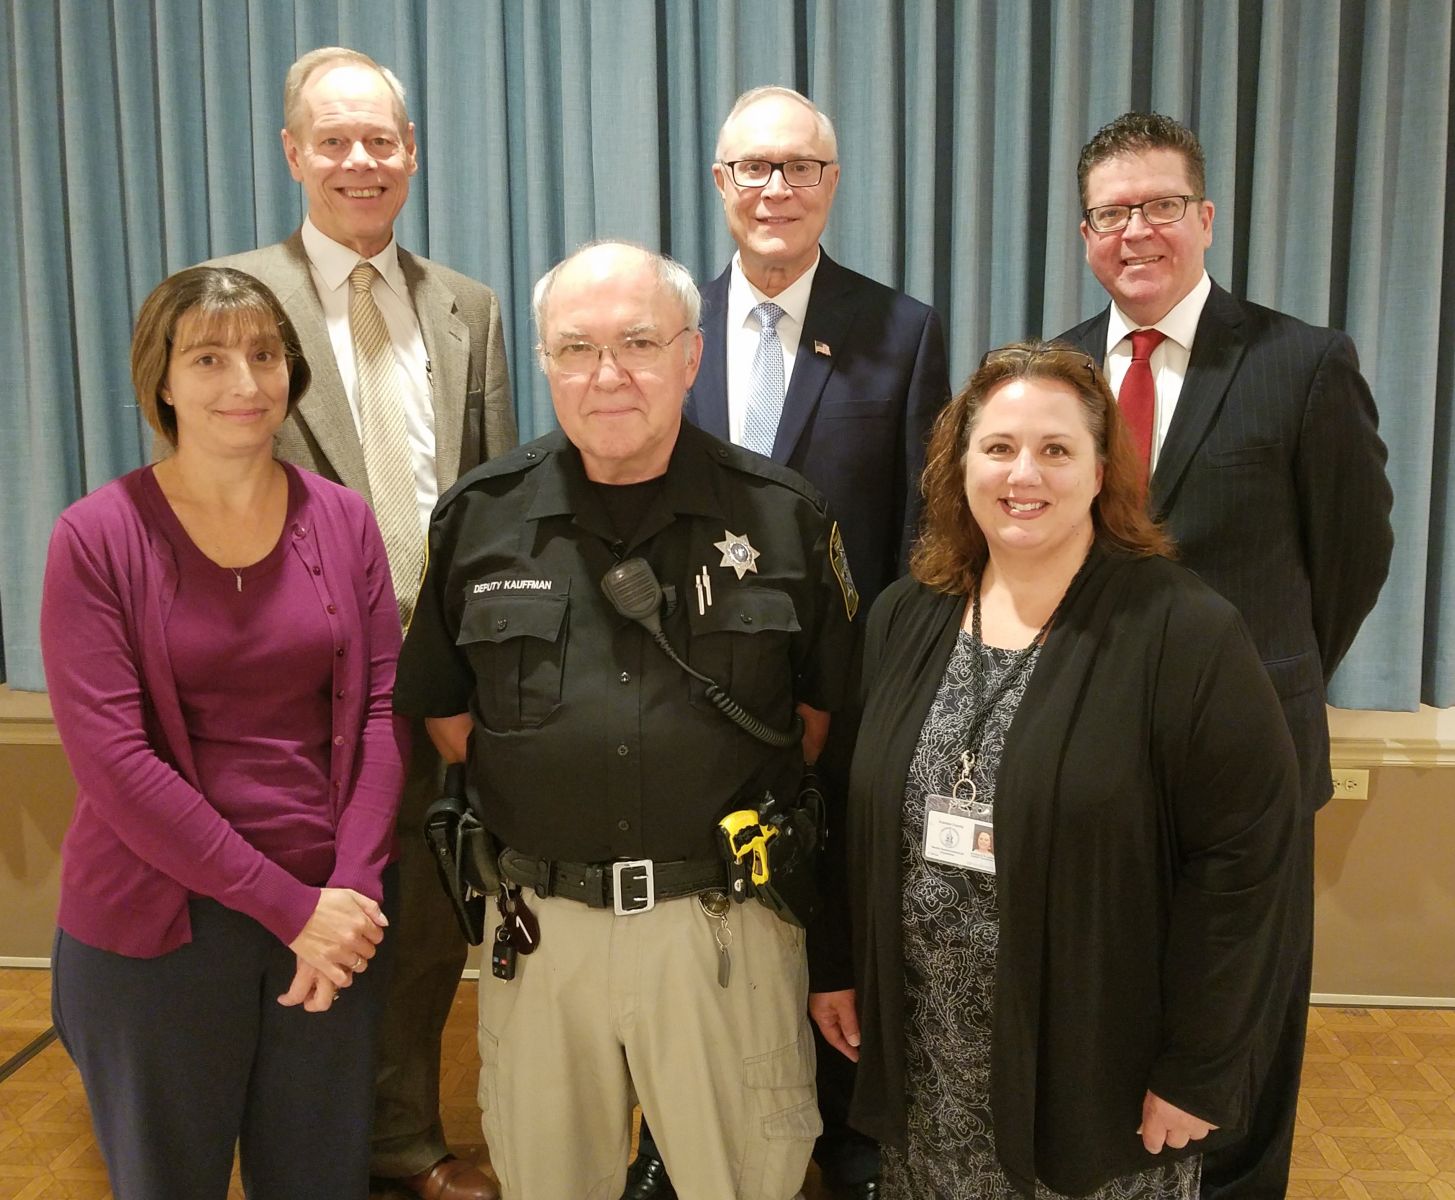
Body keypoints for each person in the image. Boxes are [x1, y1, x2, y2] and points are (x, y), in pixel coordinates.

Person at [394, 241, 857, 1200]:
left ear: (691, 358)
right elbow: (447, 714)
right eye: (576, 348)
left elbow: (819, 720)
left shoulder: (781, 517)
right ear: (545, 363)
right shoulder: (478, 518)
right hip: (541, 932)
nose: (607, 375)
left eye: (639, 343)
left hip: (724, 929)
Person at [809, 341, 1300, 1199]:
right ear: (958, 465)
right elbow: (848, 810)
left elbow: (1245, 867)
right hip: (929, 1056)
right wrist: (838, 965)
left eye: (1055, 449)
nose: (1021, 473)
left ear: (1102, 469)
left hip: (1098, 1070)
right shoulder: (905, 616)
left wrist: (1199, 1067)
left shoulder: (1182, 631)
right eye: (997, 447)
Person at [1055, 112, 1394, 1198]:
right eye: (1114, 213)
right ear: (1085, 233)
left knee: (1242, 1029)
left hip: (1252, 768)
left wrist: (1255, 689)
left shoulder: (1301, 363)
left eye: (1161, 206)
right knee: (1114, 1014)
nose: (1137, 232)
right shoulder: (1054, 373)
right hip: (1094, 765)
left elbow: (1352, 560)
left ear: (1204, 218)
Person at [207, 46, 517, 1200]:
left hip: (433, 685)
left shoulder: (469, 309)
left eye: (381, 139)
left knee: (429, 920)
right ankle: (296, 1150)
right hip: (285, 691)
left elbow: (489, 502)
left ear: (412, 155)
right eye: (333, 139)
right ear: (293, 154)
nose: (360, 160)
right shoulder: (231, 301)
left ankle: (400, 1138)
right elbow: (194, 495)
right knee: (295, 919)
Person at [637, 83, 951, 1200]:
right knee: (692, 916)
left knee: (838, 902)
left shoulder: (900, 329)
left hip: (847, 687)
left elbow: (925, 530)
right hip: (689, 689)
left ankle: (849, 1133)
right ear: (720, 184)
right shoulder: (666, 325)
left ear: (831, 184)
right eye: (754, 168)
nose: (776, 188)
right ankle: (672, 1137)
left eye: (800, 168)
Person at [40, 266, 408, 1198]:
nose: (244, 383)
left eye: (263, 354)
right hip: (160, 935)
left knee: (322, 1181)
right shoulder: (95, 538)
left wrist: (349, 900)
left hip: (330, 921)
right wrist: (288, 909)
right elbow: (118, 766)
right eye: (208, 358)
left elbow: (376, 713)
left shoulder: (344, 520)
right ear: (161, 380)